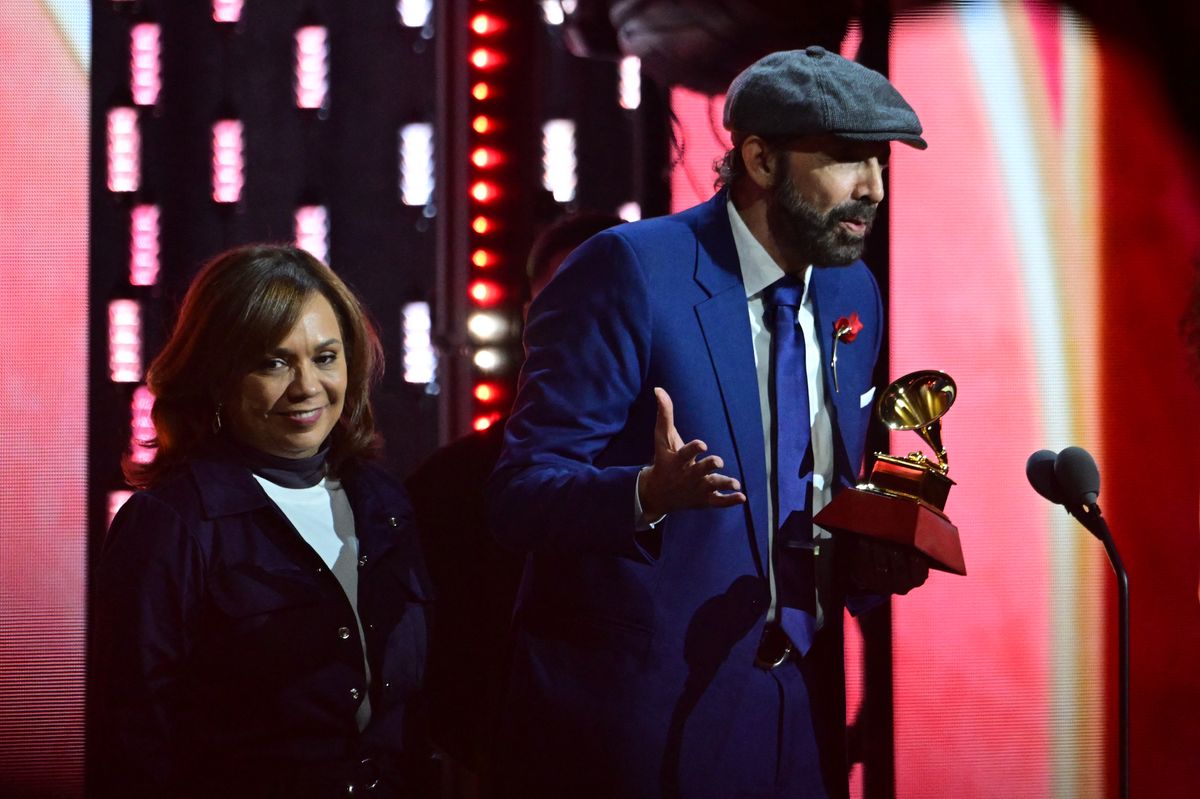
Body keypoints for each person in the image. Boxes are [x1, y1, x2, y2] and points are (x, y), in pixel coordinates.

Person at [487, 47, 931, 798]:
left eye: (881, 162)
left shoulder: (853, 287)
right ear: (759, 158)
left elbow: (819, 487)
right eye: (847, 160)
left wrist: (870, 557)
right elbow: (517, 494)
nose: (874, 189)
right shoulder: (629, 270)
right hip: (639, 723)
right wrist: (643, 495)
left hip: (798, 714)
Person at [89, 245, 433, 798]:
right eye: (273, 362)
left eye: (325, 357)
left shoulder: (384, 502)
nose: (306, 387)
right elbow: (133, 743)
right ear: (215, 375)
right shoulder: (171, 524)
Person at [405, 212, 623, 795]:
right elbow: (430, 674)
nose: (590, 318)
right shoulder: (445, 488)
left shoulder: (709, 471)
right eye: (566, 295)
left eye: (611, 296)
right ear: (530, 318)